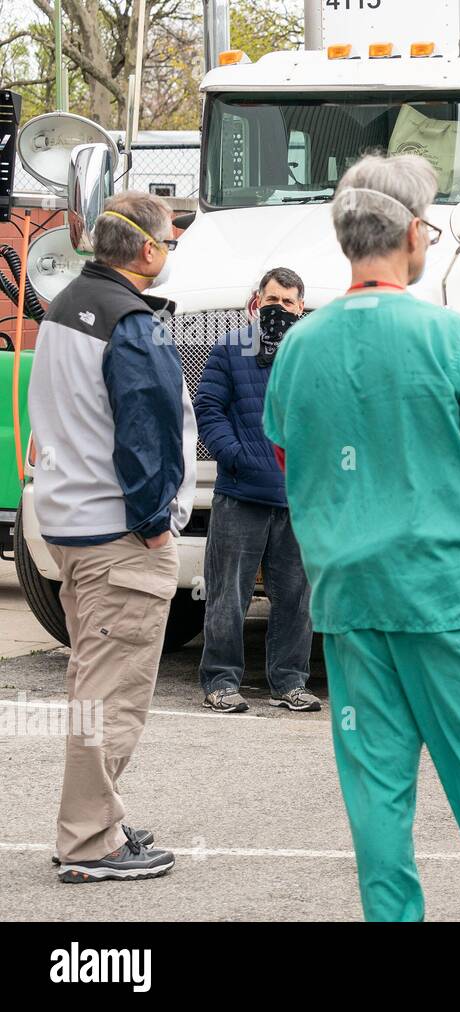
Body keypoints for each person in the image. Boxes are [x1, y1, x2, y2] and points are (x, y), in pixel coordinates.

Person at [262, 153, 460, 922]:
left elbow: (296, 462)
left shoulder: (300, 345)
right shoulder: (450, 338)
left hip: (350, 604)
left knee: (377, 803)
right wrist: (450, 529)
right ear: (414, 234)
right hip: (444, 600)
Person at [27, 192, 197, 883]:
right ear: (149, 251)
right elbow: (147, 431)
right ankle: (92, 839)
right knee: (113, 695)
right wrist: (156, 524)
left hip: (70, 524)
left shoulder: (68, 306)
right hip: (118, 536)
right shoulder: (131, 322)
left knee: (91, 686)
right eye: (172, 243)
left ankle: (97, 820)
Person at [194, 266, 318, 712]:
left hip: (297, 500)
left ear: (302, 307)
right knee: (228, 596)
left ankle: (289, 683)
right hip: (240, 495)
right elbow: (208, 408)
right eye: (272, 301)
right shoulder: (230, 348)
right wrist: (236, 457)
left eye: (288, 302)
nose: (280, 309)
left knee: (297, 601)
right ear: (255, 302)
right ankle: (221, 683)